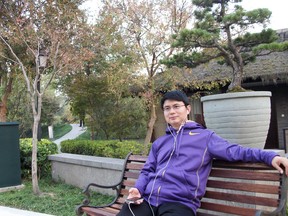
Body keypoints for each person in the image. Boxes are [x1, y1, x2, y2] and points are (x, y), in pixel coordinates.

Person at [117, 90, 288, 216]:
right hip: (148, 199)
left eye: (176, 106)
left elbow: (235, 151)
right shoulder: (160, 143)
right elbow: (148, 170)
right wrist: (138, 189)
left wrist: (270, 156)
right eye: (167, 108)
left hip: (179, 203)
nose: (172, 111)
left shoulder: (205, 138)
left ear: (188, 109)